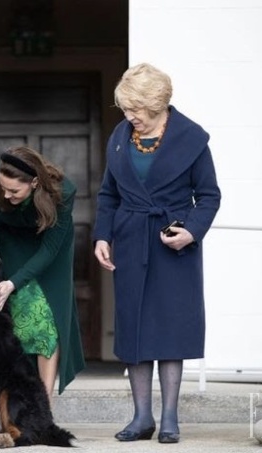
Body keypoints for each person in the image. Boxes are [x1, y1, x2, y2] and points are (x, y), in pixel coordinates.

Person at [93, 63, 221, 444]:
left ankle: (169, 419)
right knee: (133, 330)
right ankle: (141, 417)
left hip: (173, 244)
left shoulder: (192, 139)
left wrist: (191, 232)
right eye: (126, 109)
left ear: (158, 103)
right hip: (131, 241)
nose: (130, 117)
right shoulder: (120, 136)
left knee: (170, 329)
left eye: (137, 109)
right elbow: (108, 194)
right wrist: (103, 235)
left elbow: (209, 196)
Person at [0, 146, 85, 403]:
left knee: (46, 321)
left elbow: (49, 249)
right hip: (11, 243)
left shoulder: (63, 192)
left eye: (14, 191)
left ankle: (42, 405)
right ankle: (12, 398)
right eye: (3, 188)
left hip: (49, 250)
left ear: (35, 182)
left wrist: (14, 282)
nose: (6, 194)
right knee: (15, 320)